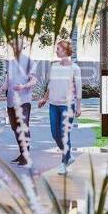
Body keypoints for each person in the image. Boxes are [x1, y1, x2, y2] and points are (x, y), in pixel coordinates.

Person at [38, 40, 83, 175]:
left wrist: (78, 107)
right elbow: (50, 84)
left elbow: (79, 88)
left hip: (67, 106)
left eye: (58, 49)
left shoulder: (75, 68)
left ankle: (64, 163)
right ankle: (68, 155)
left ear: (65, 50)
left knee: (64, 135)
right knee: (55, 134)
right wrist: (45, 98)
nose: (56, 51)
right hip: (53, 105)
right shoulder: (54, 66)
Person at [0, 39, 37, 166]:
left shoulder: (29, 62)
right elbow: (8, 80)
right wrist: (0, 91)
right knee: (15, 128)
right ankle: (22, 153)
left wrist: (24, 86)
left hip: (23, 101)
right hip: (11, 101)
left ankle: (26, 156)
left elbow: (34, 80)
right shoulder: (11, 62)